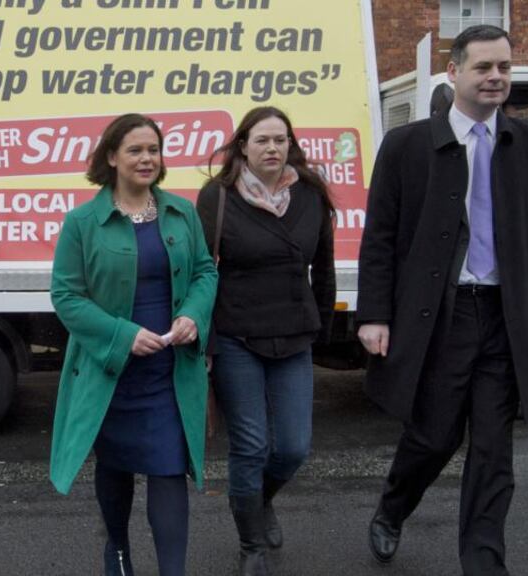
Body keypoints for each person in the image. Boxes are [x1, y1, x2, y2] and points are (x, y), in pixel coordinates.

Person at [357, 25, 528, 576]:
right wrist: (374, 315)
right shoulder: (409, 144)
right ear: (455, 72)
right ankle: (393, 506)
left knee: (492, 451)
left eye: (504, 67)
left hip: (507, 318)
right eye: (484, 67)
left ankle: (484, 564)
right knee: (434, 436)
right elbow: (380, 236)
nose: (496, 77)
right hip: (441, 316)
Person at [49, 113, 217, 576]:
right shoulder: (83, 222)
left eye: (153, 150)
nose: (147, 159)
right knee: (116, 464)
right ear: (111, 157)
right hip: (110, 370)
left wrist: (192, 315)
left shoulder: (182, 212)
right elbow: (66, 295)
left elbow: (205, 271)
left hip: (169, 368)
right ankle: (117, 547)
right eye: (136, 150)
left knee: (168, 467)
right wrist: (122, 336)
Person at [196, 106, 336, 576]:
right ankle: (251, 542)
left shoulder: (311, 194)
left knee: (294, 447)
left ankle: (261, 502)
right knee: (251, 446)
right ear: (243, 147)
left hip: (296, 334)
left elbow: (326, 268)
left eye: (280, 140)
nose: (272, 148)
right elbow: (200, 273)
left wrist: (326, 332)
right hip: (236, 335)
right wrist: (206, 342)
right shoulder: (217, 198)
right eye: (262, 140)